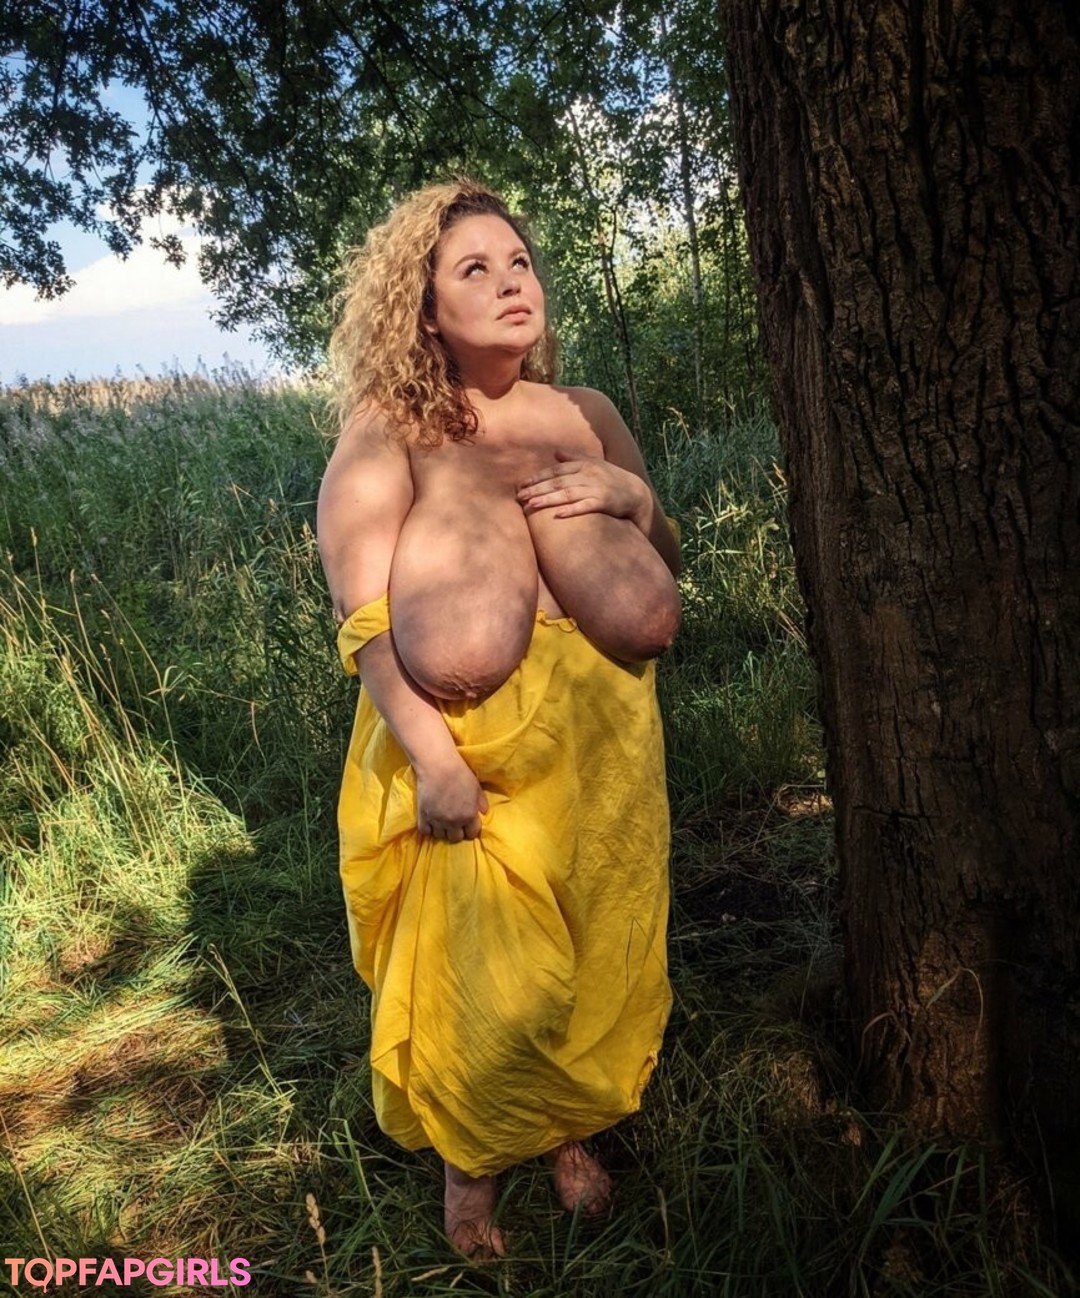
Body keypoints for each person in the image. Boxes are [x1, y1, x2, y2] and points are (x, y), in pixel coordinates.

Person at [318, 179, 680, 1259]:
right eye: (473, 270)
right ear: (426, 310)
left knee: (594, 946)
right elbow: (363, 619)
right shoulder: (393, 427)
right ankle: (470, 1176)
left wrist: (634, 501)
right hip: (469, 748)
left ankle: (566, 1131)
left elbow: (662, 558)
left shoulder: (586, 413)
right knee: (486, 973)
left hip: (602, 742)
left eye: (517, 262)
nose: (510, 282)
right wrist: (431, 756)